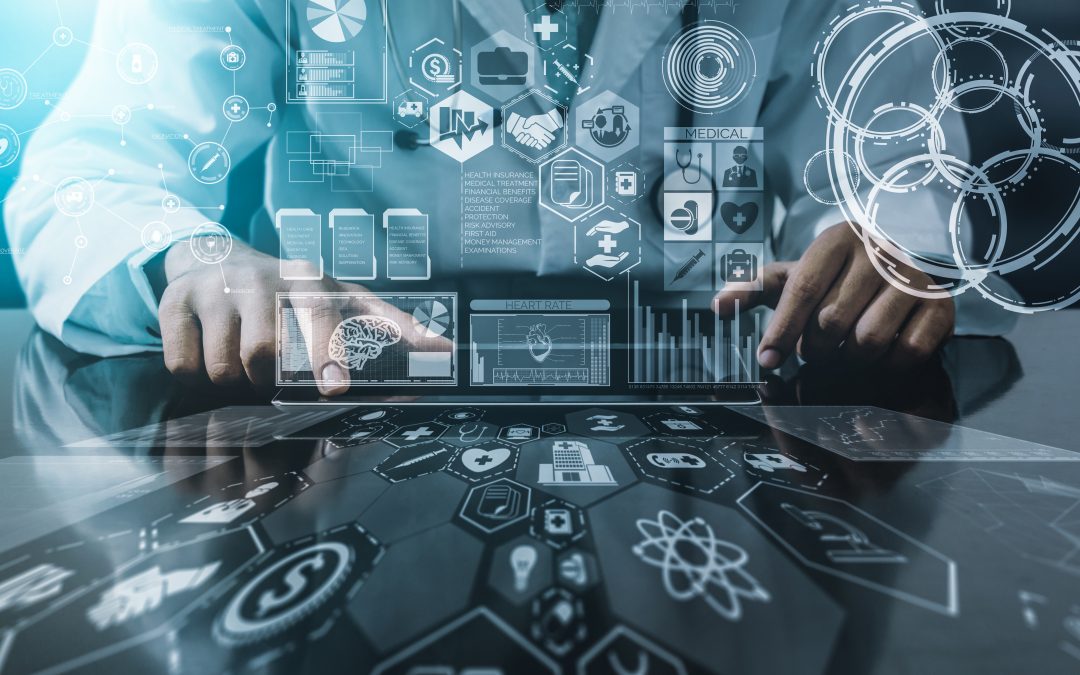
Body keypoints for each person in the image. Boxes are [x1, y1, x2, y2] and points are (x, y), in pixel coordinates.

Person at [5, 0, 992, 396]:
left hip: (711, 408)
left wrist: (888, 247)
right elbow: (92, 175)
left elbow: (900, 185)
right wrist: (192, 256)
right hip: (347, 406)